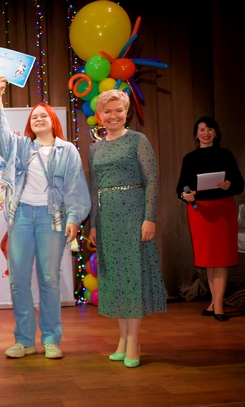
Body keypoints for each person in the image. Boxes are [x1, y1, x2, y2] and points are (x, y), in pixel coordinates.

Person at [0, 76, 91, 359]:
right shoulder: (21, 146)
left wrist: (74, 217)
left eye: (43, 115)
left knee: (49, 279)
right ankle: (24, 340)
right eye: (34, 116)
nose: (38, 119)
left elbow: (75, 186)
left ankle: (51, 340)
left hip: (51, 218)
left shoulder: (67, 150)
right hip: (21, 216)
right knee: (18, 280)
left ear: (53, 120)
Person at [88, 89, 167, 368]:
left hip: (134, 215)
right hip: (106, 219)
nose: (113, 116)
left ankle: (134, 340)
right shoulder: (95, 148)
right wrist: (93, 224)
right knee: (117, 280)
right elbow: (95, 188)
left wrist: (149, 217)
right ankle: (122, 338)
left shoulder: (138, 140)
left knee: (133, 277)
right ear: (99, 115)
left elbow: (152, 180)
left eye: (118, 110)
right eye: (107, 111)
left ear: (126, 112)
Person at [176, 116, 244, 322]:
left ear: (215, 133)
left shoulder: (226, 154)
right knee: (209, 259)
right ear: (196, 135)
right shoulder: (190, 158)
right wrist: (186, 195)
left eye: (210, 129)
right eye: (202, 130)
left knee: (220, 258)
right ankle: (214, 302)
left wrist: (229, 185)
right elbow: (181, 188)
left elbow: (240, 185)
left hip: (223, 209)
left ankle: (219, 304)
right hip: (200, 212)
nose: (206, 133)